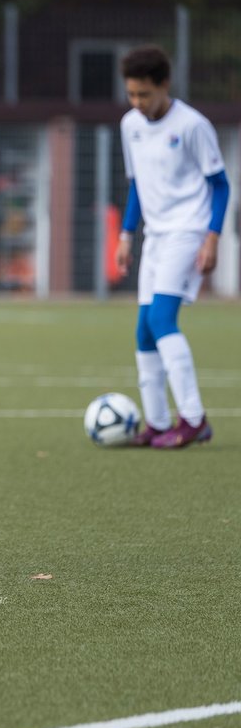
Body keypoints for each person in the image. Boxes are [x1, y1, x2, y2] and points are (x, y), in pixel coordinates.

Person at [116, 45, 227, 449]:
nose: (137, 102)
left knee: (163, 319)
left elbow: (220, 184)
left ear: (164, 85)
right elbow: (136, 187)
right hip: (156, 236)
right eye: (131, 94)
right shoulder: (130, 125)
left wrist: (212, 237)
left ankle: (194, 419)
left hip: (188, 231)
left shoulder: (193, 125)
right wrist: (127, 235)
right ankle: (159, 424)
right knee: (144, 331)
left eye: (144, 93)